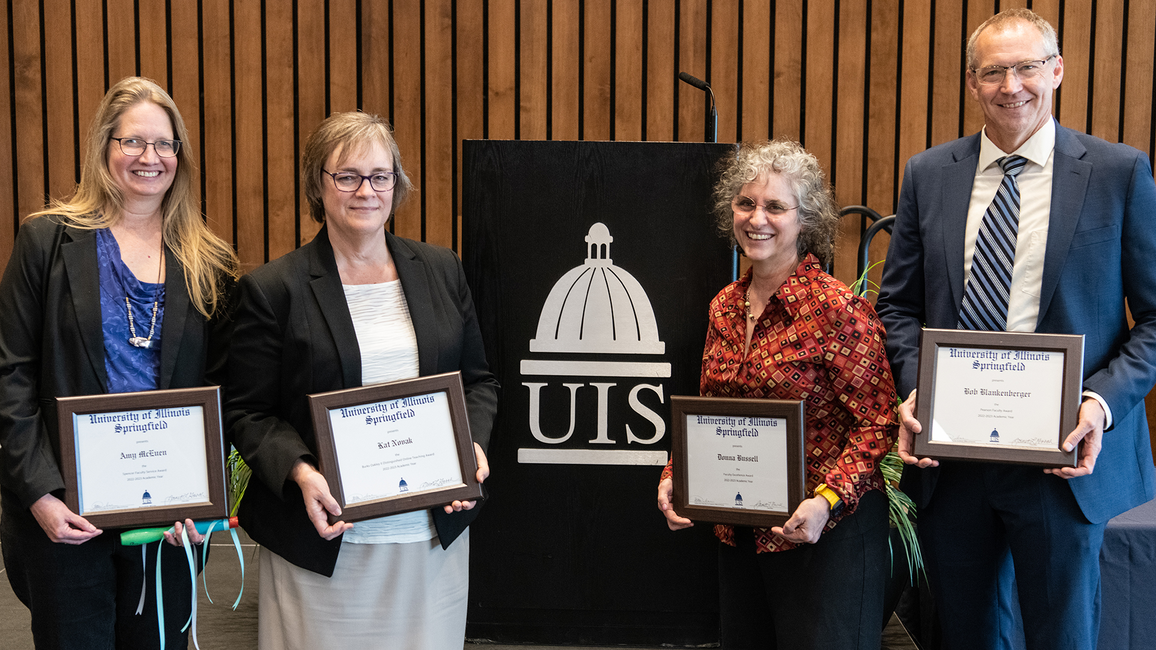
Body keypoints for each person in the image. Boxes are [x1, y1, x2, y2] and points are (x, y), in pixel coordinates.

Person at [876, 8, 1156, 649]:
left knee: (1063, 636)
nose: (1012, 86)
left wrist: (1100, 403)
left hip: (1062, 460)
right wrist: (921, 389)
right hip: (955, 461)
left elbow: (1155, 320)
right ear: (972, 83)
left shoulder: (1117, 175)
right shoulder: (929, 175)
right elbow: (897, 307)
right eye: (994, 71)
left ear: (1056, 70)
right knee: (968, 635)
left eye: (1028, 67)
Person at [225, 111, 499, 650]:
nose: (366, 191)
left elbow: (479, 381)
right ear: (317, 185)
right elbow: (247, 412)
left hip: (429, 537)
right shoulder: (273, 289)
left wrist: (472, 444)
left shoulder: (442, 270)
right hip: (324, 541)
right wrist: (301, 473)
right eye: (347, 176)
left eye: (380, 176)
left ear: (397, 184)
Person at [0, 77, 240, 649]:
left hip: (170, 522)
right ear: (104, 148)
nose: (149, 158)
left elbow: (229, 391)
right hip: (66, 513)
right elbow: (10, 375)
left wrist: (205, 494)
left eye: (164, 145)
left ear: (179, 157)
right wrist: (39, 494)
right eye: (133, 142)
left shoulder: (210, 261)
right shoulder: (45, 243)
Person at [656, 140, 898, 649]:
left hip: (825, 534)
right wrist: (676, 474)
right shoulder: (724, 305)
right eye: (746, 204)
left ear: (804, 219)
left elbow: (878, 423)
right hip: (740, 528)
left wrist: (826, 500)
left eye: (775, 206)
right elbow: (708, 413)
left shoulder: (839, 310)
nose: (756, 218)